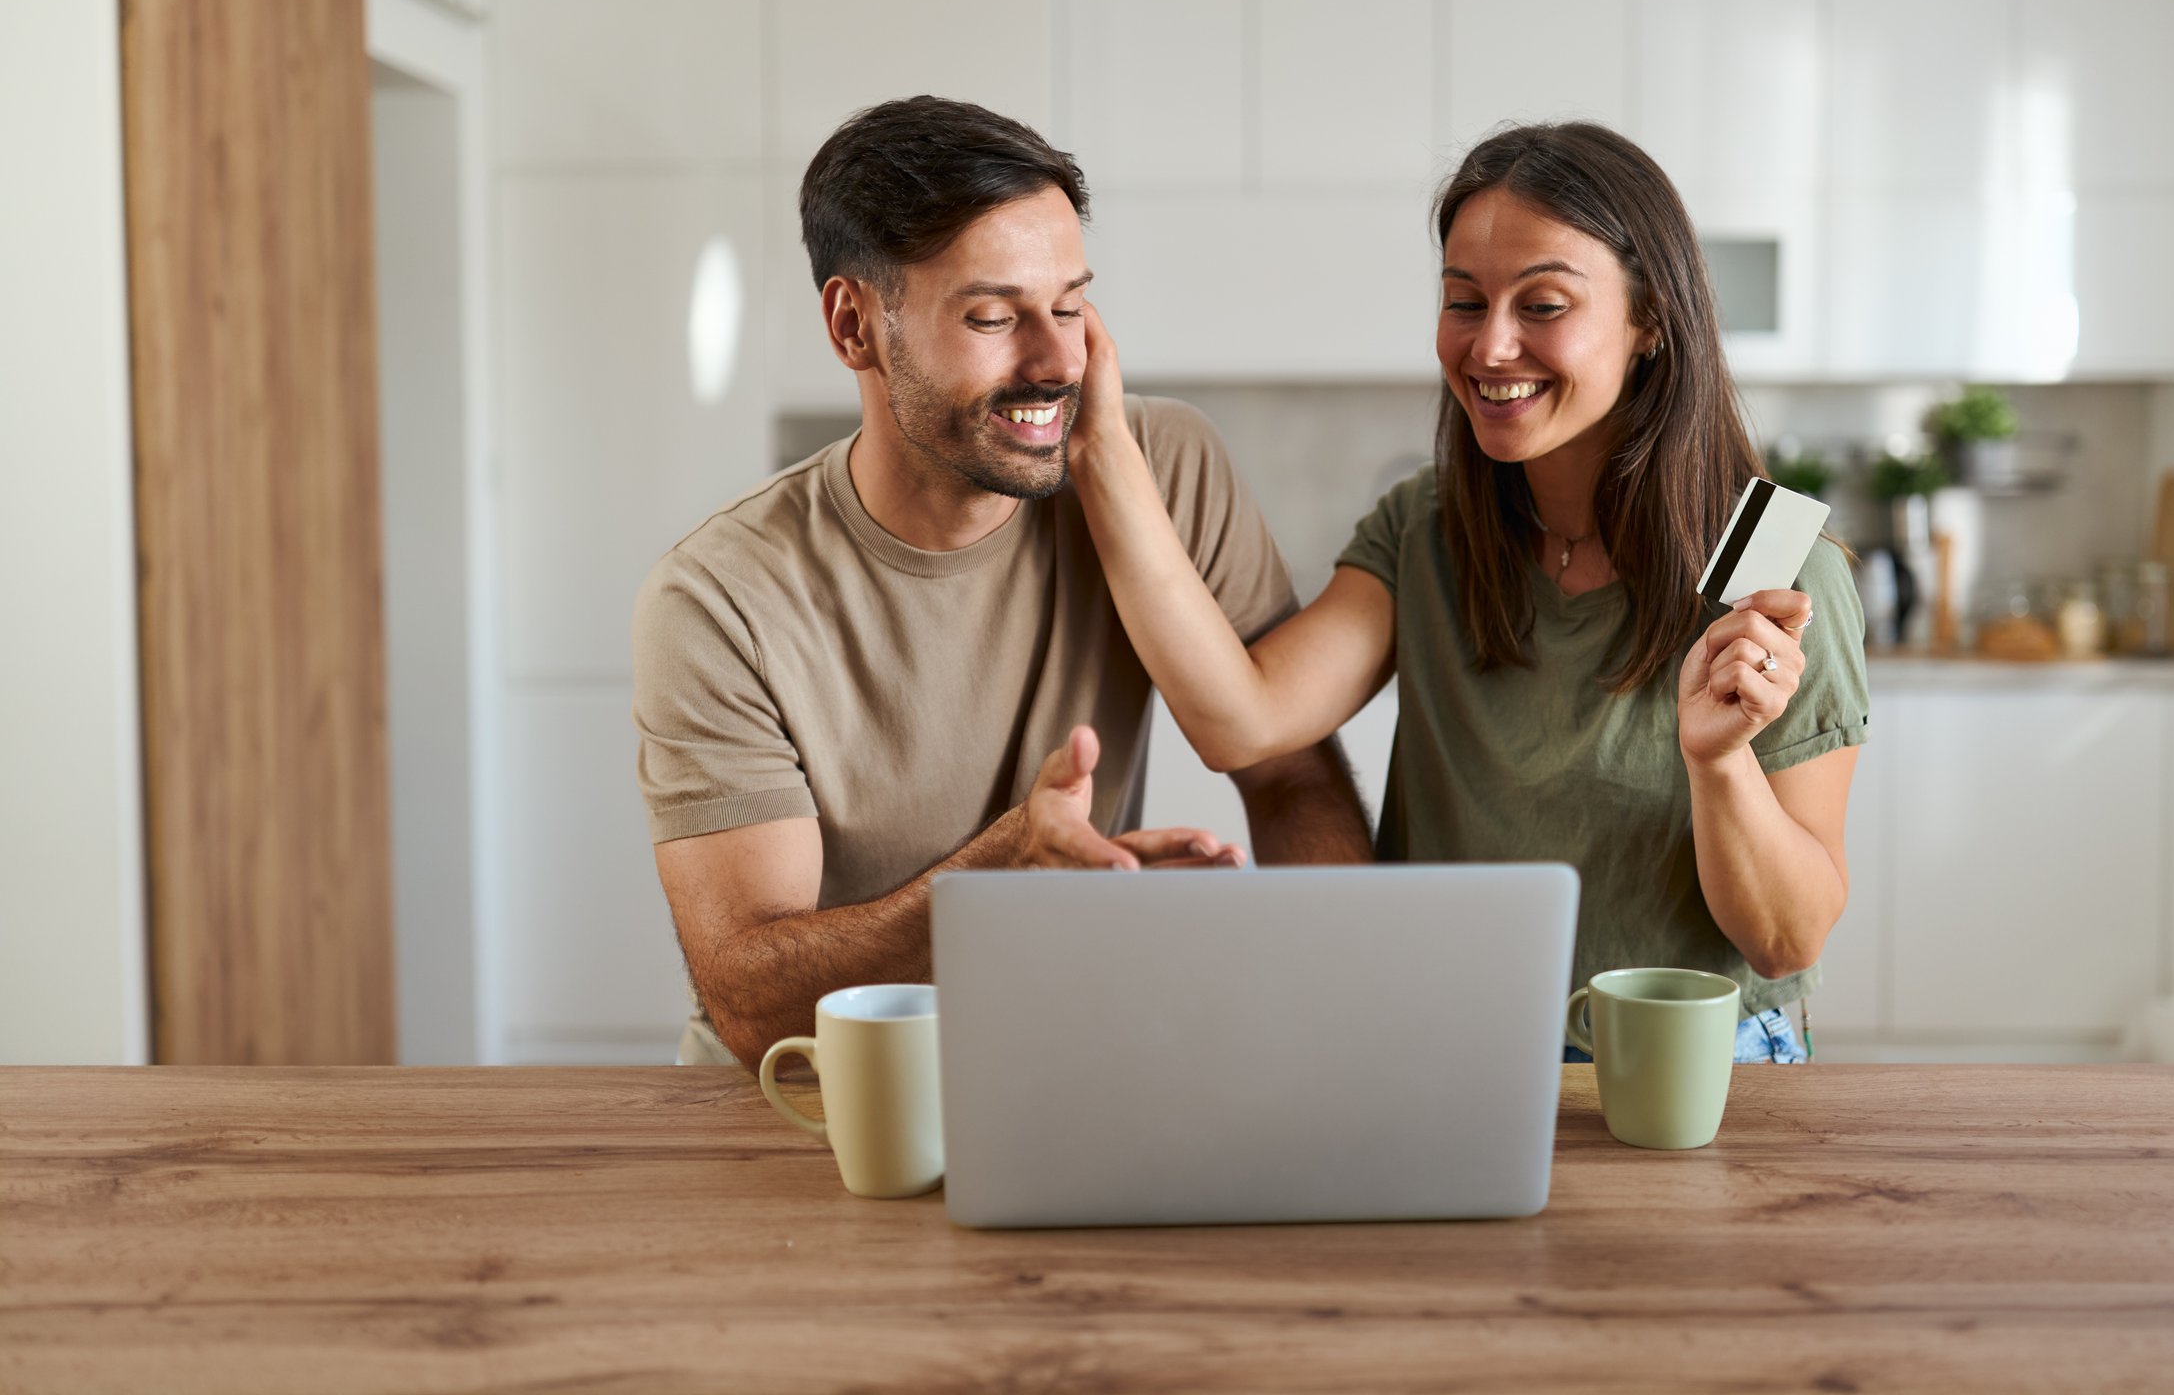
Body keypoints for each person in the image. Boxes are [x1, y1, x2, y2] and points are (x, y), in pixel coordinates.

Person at [1068, 121, 1868, 1063]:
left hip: (1688, 1060)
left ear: (1650, 317)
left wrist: (1719, 761)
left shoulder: (1769, 560)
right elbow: (1241, 719)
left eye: (1543, 305)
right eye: (1464, 300)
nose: (1490, 347)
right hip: (1454, 1044)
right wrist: (1104, 450)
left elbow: (1786, 938)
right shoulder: (1431, 526)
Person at [633, 96, 1372, 1070]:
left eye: (1070, 305)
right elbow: (751, 1001)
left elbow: (1287, 775)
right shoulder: (719, 599)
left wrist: (1348, 1018)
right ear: (855, 326)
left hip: (1062, 1064)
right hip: (807, 1101)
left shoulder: (1162, 465)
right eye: (993, 316)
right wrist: (1001, 874)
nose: (1059, 360)